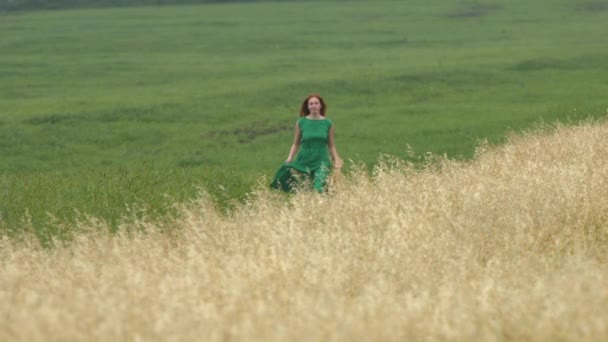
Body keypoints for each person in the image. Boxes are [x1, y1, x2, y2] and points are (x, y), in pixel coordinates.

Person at [271, 93, 343, 193]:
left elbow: (331, 145)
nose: (313, 105)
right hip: (304, 160)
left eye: (316, 103)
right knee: (305, 188)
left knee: (319, 187)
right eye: (311, 104)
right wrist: (290, 158)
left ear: (320, 105)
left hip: (321, 161)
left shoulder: (328, 123)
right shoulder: (301, 122)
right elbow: (296, 144)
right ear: (308, 106)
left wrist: (336, 159)